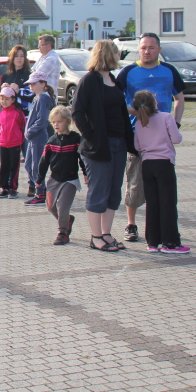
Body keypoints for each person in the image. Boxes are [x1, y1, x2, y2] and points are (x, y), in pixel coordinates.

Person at [115, 33, 185, 242]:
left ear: (159, 50)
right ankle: (131, 224)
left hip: (162, 140)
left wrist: (176, 122)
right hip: (137, 137)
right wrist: (136, 113)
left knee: (162, 185)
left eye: (151, 48)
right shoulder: (128, 72)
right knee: (135, 182)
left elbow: (179, 98)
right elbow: (117, 100)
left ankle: (161, 227)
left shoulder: (169, 70)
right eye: (143, 47)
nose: (147, 51)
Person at [71, 40, 136, 252]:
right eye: (117, 52)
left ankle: (107, 234)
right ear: (108, 54)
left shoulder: (113, 79)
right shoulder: (89, 80)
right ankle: (95, 236)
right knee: (98, 191)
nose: (120, 56)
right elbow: (77, 112)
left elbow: (120, 110)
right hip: (99, 145)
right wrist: (91, 136)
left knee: (113, 192)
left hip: (118, 143)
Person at [132, 91, 189, 254]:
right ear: (155, 103)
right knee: (168, 203)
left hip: (147, 164)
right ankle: (170, 242)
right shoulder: (166, 117)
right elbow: (176, 139)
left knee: (152, 204)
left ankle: (152, 241)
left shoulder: (138, 122)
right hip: (164, 163)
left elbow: (137, 146)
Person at [37, 106, 87, 246]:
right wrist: (40, 178)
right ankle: (67, 220)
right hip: (54, 179)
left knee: (62, 207)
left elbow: (82, 158)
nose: (56, 125)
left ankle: (62, 233)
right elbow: (44, 161)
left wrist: (85, 174)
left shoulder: (76, 139)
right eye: (54, 122)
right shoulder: (51, 141)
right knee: (50, 206)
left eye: (59, 121)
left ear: (68, 122)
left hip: (70, 180)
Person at [1, 45, 32, 193]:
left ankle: (33, 184)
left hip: (24, 117)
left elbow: (32, 96)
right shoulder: (7, 76)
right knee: (10, 158)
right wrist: (4, 89)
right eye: (16, 56)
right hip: (9, 121)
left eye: (22, 56)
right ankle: (8, 185)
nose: (19, 58)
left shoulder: (29, 75)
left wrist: (18, 91)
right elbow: (2, 100)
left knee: (28, 153)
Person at [23, 72, 54, 206]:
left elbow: (42, 120)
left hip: (38, 137)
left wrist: (30, 131)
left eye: (34, 84)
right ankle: (41, 189)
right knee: (28, 164)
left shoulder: (43, 98)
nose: (31, 86)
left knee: (36, 166)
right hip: (33, 137)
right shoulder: (38, 98)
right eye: (30, 84)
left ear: (43, 85)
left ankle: (40, 193)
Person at [0, 87, 25, 199]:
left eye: (7, 99)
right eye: (2, 99)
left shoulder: (18, 113)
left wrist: (19, 139)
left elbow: (22, 126)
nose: (4, 101)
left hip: (15, 143)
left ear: (13, 100)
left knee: (14, 166)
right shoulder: (0, 113)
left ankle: (13, 188)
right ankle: (4, 187)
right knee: (4, 166)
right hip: (3, 143)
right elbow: (0, 126)